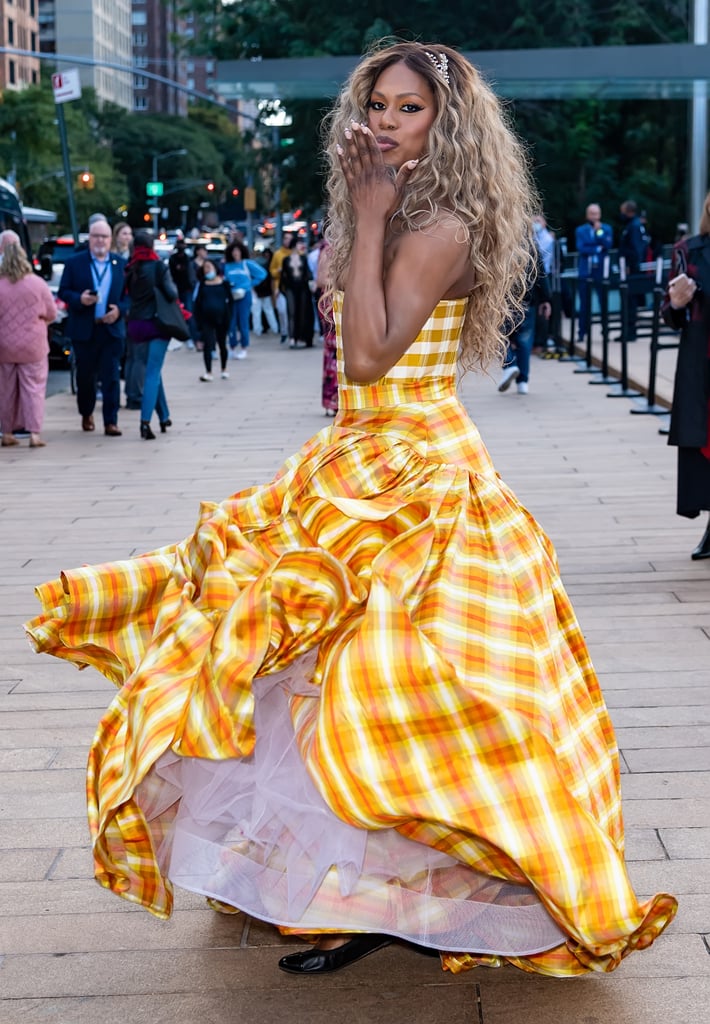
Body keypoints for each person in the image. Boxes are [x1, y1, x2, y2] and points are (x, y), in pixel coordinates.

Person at [25, 40, 676, 980]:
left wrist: (368, 219)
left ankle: (401, 897)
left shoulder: (443, 220)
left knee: (400, 688)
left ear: (446, 121)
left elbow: (369, 357)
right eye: (376, 104)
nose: (385, 120)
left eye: (408, 108)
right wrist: (366, 216)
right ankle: (340, 891)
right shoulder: (396, 206)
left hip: (419, 476)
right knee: (311, 687)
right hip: (351, 462)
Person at [661, 190, 710, 561]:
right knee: (705, 438)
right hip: (702, 361)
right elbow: (669, 313)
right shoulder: (688, 250)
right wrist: (677, 303)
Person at [58, 218, 127, 436]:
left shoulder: (121, 265)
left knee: (111, 376)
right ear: (90, 238)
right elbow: (63, 292)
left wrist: (120, 311)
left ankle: (110, 421)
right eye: (96, 236)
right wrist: (80, 299)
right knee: (85, 377)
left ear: (110, 240)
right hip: (85, 330)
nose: (100, 241)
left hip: (110, 329)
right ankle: (86, 412)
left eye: (105, 237)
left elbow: (132, 296)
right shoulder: (75, 263)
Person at [0, 238, 57, 448]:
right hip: (33, 346)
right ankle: (33, 433)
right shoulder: (37, 284)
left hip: (4, 346)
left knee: (6, 390)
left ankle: (7, 432)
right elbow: (51, 312)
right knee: (33, 388)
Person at [124, 229, 178, 440]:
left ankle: (164, 415)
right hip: (157, 324)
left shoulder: (130, 269)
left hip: (136, 325)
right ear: (152, 247)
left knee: (153, 371)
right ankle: (145, 423)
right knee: (153, 372)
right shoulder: (158, 267)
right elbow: (172, 293)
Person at [498, 245, 552, 394]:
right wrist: (546, 299)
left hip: (504, 301)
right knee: (524, 342)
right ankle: (523, 382)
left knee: (499, 337)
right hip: (528, 300)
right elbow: (540, 273)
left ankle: (509, 365)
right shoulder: (531, 245)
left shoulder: (503, 239)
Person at [222, 241, 268, 359]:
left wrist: (249, 285)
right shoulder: (227, 265)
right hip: (231, 296)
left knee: (243, 322)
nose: (235, 253)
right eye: (233, 251)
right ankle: (231, 347)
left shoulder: (247, 264)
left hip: (244, 296)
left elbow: (262, 274)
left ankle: (244, 347)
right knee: (231, 323)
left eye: (237, 251)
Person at [574, 203, 613, 342]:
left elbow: (607, 245)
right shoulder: (580, 230)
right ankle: (581, 332)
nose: (594, 216)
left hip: (600, 271)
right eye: (592, 213)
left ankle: (605, 331)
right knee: (584, 304)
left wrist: (598, 233)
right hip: (585, 272)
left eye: (596, 214)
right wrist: (597, 248)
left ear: (600, 214)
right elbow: (581, 248)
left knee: (603, 302)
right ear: (587, 215)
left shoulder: (605, 228)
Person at [193, 258, 233, 381]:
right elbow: (197, 303)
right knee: (208, 345)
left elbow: (230, 301)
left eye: (209, 266)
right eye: (205, 267)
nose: (207, 269)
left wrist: (229, 317)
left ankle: (224, 369)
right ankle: (208, 371)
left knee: (222, 344)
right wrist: (198, 321)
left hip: (222, 318)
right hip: (206, 319)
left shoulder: (224, 283)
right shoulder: (202, 285)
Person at [617, 199, 647, 341]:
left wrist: (630, 266)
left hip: (630, 269)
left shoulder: (634, 226)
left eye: (622, 211)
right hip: (628, 268)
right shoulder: (632, 225)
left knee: (630, 302)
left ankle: (630, 332)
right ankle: (626, 332)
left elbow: (636, 249)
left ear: (629, 211)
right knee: (627, 301)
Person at [280, 236, 314, 348]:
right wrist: (282, 289)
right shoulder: (286, 260)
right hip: (290, 287)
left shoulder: (303, 258)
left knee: (303, 312)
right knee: (292, 312)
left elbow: (308, 274)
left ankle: (301, 337)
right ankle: (292, 337)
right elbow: (283, 276)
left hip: (303, 288)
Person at [316, 239, 337, 415]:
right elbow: (321, 279)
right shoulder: (328, 249)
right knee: (334, 348)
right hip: (332, 299)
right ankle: (332, 398)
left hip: (339, 298)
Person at [269, 231, 293, 343]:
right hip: (280, 286)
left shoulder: (296, 253)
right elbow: (271, 270)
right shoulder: (278, 254)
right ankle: (284, 331)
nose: (288, 241)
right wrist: (277, 272)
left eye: (290, 238)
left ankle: (292, 333)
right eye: (286, 238)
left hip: (292, 286)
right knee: (282, 310)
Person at [250, 247, 280, 336]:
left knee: (257, 312)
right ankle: (275, 328)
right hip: (265, 291)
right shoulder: (267, 265)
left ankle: (257, 330)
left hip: (257, 290)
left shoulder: (253, 264)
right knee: (268, 310)